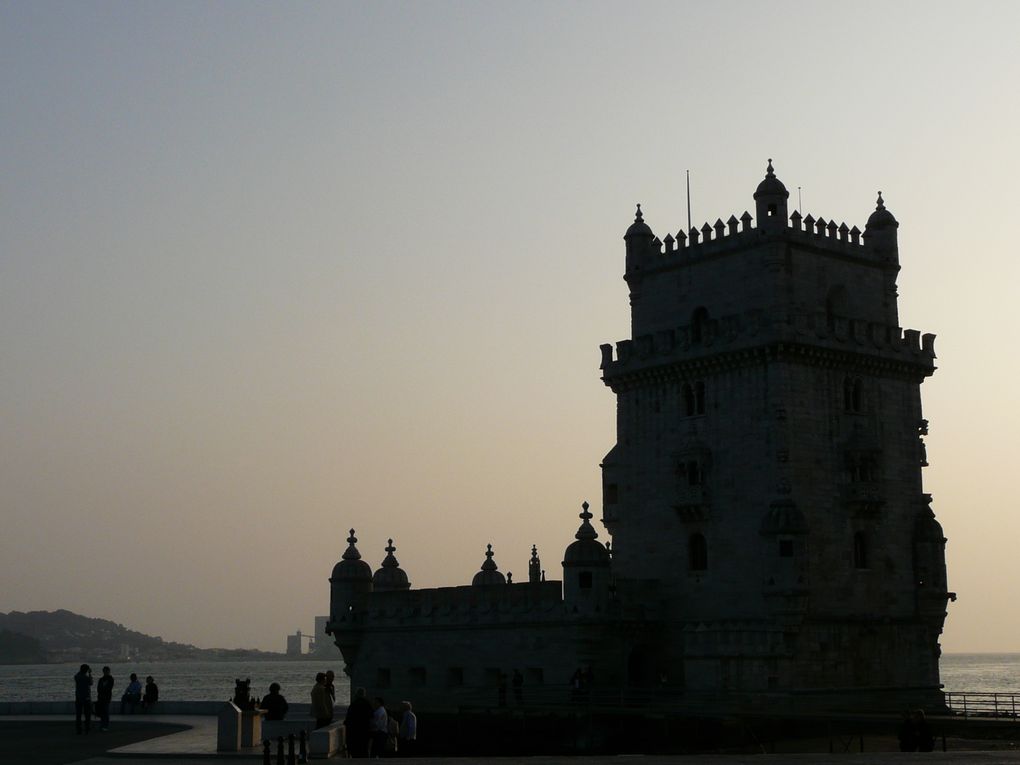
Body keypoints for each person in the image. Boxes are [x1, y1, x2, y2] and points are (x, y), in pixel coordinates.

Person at [344, 686, 373, 758]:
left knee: (356, 750)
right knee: (364, 749)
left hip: (355, 731)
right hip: (365, 730)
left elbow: (349, 718)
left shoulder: (354, 704)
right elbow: (371, 716)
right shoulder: (367, 704)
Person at [73, 663, 93, 734]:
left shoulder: (77, 677)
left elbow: (76, 675)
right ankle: (87, 728)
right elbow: (91, 683)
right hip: (86, 698)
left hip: (78, 698)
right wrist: (90, 673)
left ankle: (79, 729)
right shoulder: (86, 677)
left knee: (78, 715)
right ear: (86, 670)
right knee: (87, 714)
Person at [95, 666, 115, 731]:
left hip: (106, 697)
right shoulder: (101, 679)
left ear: (108, 671)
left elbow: (109, 688)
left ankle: (105, 726)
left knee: (105, 711)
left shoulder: (111, 679)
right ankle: (102, 725)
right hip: (101, 697)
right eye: (104, 671)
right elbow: (98, 689)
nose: (105, 672)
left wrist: (102, 690)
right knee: (102, 712)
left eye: (106, 671)